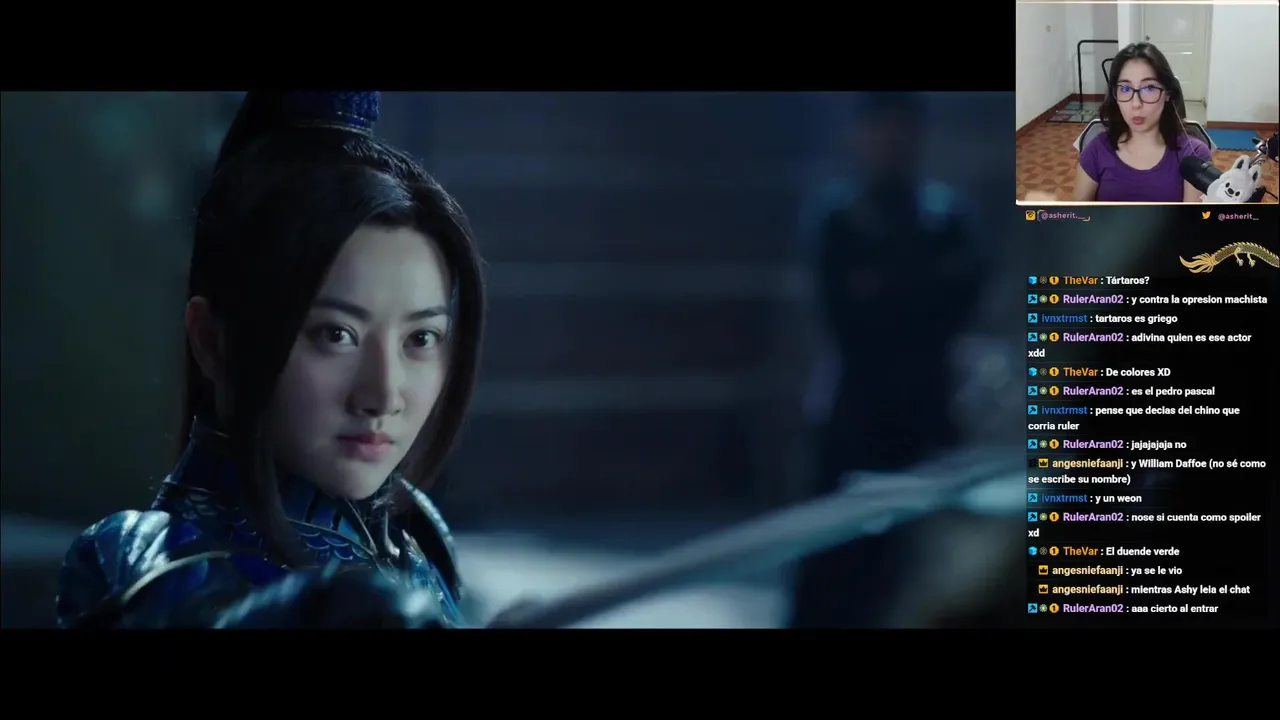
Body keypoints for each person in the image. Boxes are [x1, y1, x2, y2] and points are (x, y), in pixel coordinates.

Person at [55, 91, 486, 629]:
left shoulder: (416, 534)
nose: (382, 395)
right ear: (213, 342)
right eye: (336, 334)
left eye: (420, 338)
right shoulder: (134, 563)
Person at [790, 93, 989, 628]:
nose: (891, 141)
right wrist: (917, 288)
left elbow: (960, 302)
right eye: (880, 128)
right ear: (859, 136)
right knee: (833, 572)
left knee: (923, 574)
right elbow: (848, 319)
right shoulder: (838, 219)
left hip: (928, 420)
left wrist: (890, 289)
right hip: (853, 421)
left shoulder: (947, 218)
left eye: (902, 128)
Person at [1029, 43, 1212, 203]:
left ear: (1167, 94)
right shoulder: (1096, 150)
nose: (1136, 104)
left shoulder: (1194, 155)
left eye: (1149, 88)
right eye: (1125, 88)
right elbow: (1079, 217)